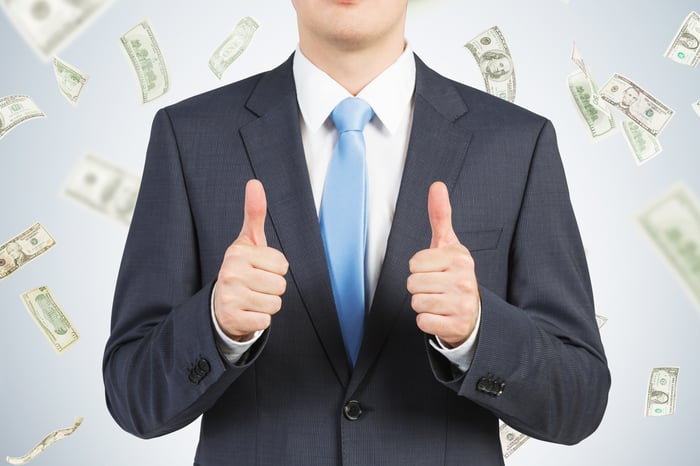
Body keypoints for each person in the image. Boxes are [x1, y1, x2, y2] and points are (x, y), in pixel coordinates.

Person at [103, 1, 610, 465]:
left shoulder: (519, 144)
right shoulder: (188, 137)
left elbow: (580, 399)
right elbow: (132, 396)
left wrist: (478, 332)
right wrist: (216, 326)